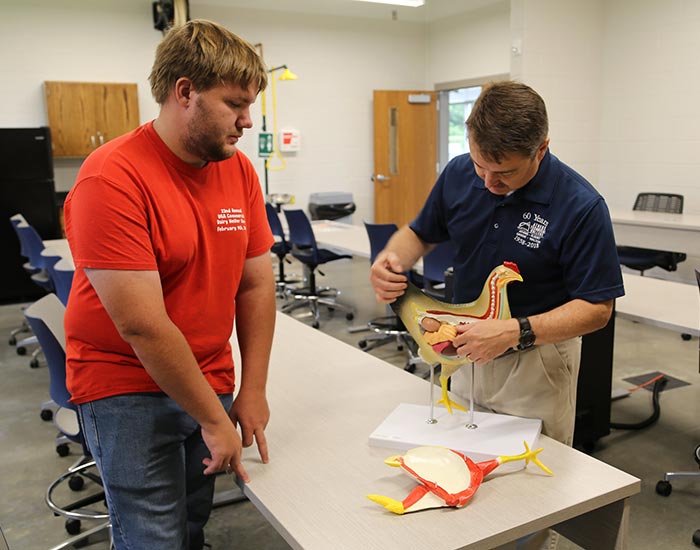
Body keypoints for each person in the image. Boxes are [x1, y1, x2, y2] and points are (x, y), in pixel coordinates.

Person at [63, 19, 275, 550]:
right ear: (185, 92)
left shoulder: (239, 172)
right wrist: (213, 418)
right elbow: (143, 325)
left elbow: (254, 286)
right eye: (235, 104)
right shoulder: (111, 178)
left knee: (189, 526)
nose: (247, 121)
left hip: (208, 374)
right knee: (151, 537)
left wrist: (252, 389)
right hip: (125, 387)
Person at [370, 81, 624, 448]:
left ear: (542, 149)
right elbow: (419, 233)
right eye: (480, 166)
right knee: (454, 457)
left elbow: (597, 309)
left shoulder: (580, 205)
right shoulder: (458, 174)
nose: (489, 182)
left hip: (536, 361)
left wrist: (513, 331)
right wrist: (392, 259)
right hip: (463, 352)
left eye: (504, 173)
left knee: (530, 475)